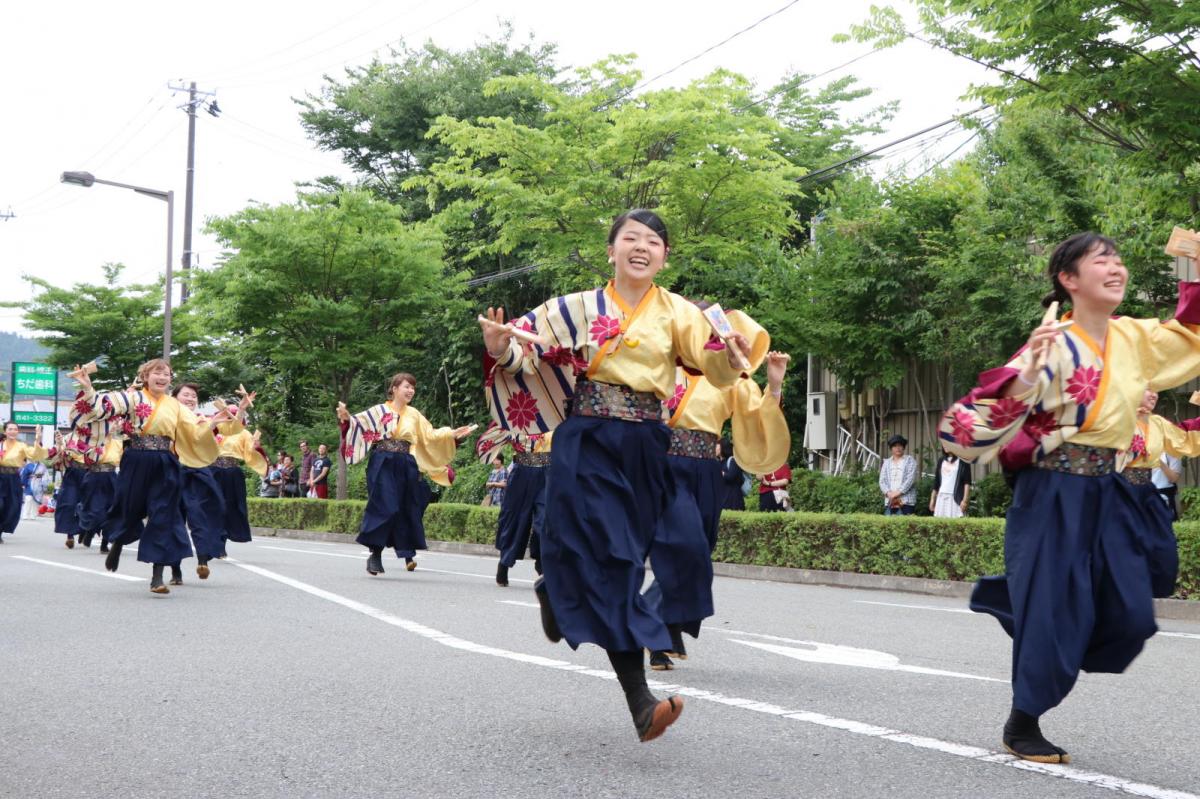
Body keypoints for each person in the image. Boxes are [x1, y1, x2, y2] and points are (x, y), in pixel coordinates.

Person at [479, 208, 752, 743]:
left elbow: (715, 365)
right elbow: (523, 352)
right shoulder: (575, 307)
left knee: (684, 543)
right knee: (618, 562)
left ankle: (556, 589)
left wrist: (733, 357)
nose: (642, 246)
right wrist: (498, 347)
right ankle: (640, 701)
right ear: (611, 250)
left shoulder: (679, 312)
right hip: (591, 440)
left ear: (665, 256)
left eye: (654, 240)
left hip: (652, 444)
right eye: (631, 237)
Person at [941, 232, 1200, 764]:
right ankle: (1023, 721)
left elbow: (1189, 334)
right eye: (1101, 259)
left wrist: (1194, 270)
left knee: (1130, 611)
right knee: (1054, 607)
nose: (1116, 267)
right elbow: (967, 429)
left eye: (1119, 259)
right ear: (1069, 279)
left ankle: (1038, 616)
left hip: (1111, 489)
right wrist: (1026, 379)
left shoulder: (1134, 336)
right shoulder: (1051, 343)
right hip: (1052, 491)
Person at [646, 346, 791, 671]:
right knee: (682, 545)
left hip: (706, 472)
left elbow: (756, 419)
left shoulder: (727, 379)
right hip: (668, 467)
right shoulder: (662, 369)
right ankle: (651, 619)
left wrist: (774, 383)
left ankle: (663, 628)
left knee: (700, 551)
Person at [70, 359, 236, 594]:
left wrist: (213, 423)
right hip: (136, 458)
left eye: (166, 374)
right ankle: (117, 542)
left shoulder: (174, 405)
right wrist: (88, 387)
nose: (162, 377)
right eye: (157, 372)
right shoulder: (133, 397)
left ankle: (157, 577)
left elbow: (193, 429)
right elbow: (102, 408)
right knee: (129, 507)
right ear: (145, 376)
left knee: (164, 514)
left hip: (165, 462)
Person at [338, 373, 470, 576]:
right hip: (382, 461)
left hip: (406, 463)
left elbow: (430, 435)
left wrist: (451, 434)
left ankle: (406, 553)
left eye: (413, 388)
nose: (410, 391)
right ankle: (375, 553)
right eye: (407, 386)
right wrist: (347, 419)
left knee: (405, 507)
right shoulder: (379, 410)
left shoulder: (414, 414)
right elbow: (358, 424)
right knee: (385, 506)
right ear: (394, 389)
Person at [490, 434, 551, 587]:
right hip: (521, 472)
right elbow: (494, 436)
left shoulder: (555, 415)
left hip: (547, 472)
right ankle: (504, 564)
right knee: (513, 520)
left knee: (545, 521)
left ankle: (542, 565)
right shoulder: (515, 419)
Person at [0, 422, 48, 542]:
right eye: (10, 429)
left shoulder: (21, 446)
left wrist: (38, 437)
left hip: (13, 478)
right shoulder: (1, 444)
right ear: (5, 431)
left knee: (12, 506)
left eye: (15, 429)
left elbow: (35, 455)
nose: (12, 431)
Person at [878, 435, 916, 515]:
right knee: (888, 525)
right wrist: (889, 493)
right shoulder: (887, 462)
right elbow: (882, 481)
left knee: (905, 525)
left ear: (904, 447)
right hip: (890, 500)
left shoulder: (910, 460)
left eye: (900, 446)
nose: (898, 448)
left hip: (906, 501)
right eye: (895, 446)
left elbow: (910, 479)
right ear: (891, 448)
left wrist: (897, 493)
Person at [929, 448, 972, 518]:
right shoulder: (941, 460)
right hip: (941, 497)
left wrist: (965, 500)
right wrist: (932, 499)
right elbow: (936, 482)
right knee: (940, 524)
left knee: (956, 524)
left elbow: (967, 482)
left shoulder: (963, 461)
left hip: (956, 498)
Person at [1152, 451, 1182, 521]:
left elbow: (1174, 478)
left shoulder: (1172, 452)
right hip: (1145, 494)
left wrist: (1159, 461)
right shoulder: (1142, 449)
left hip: (1164, 495)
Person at [719, 439, 747, 511]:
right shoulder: (719, 462)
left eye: (717, 446)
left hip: (733, 498)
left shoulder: (733, 460)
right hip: (723, 497)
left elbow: (730, 476)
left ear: (723, 447)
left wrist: (720, 472)